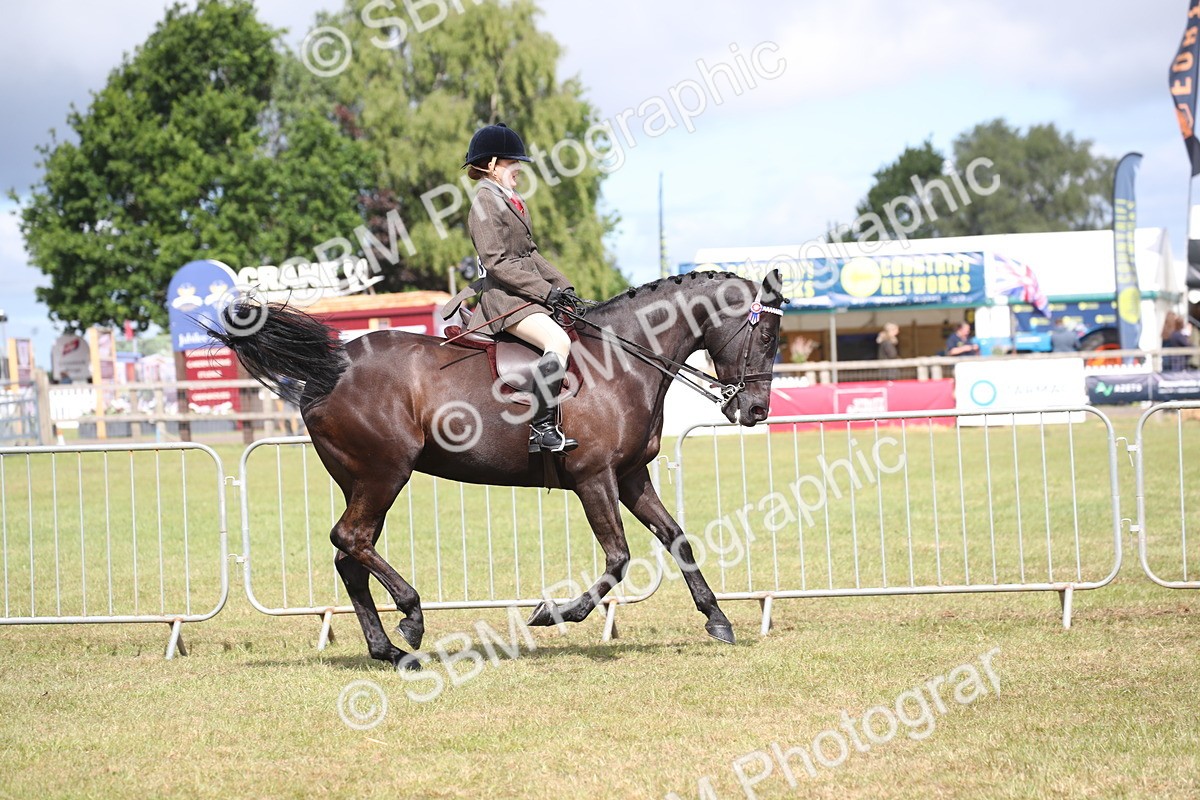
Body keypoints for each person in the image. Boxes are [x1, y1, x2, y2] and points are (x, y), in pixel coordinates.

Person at [462, 123, 579, 454]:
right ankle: (541, 430)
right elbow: (497, 263)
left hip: (526, 296)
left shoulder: (509, 200)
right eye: (514, 164)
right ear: (494, 163)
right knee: (557, 340)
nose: (519, 170)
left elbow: (530, 254)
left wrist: (565, 288)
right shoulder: (484, 203)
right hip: (506, 301)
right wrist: (545, 292)